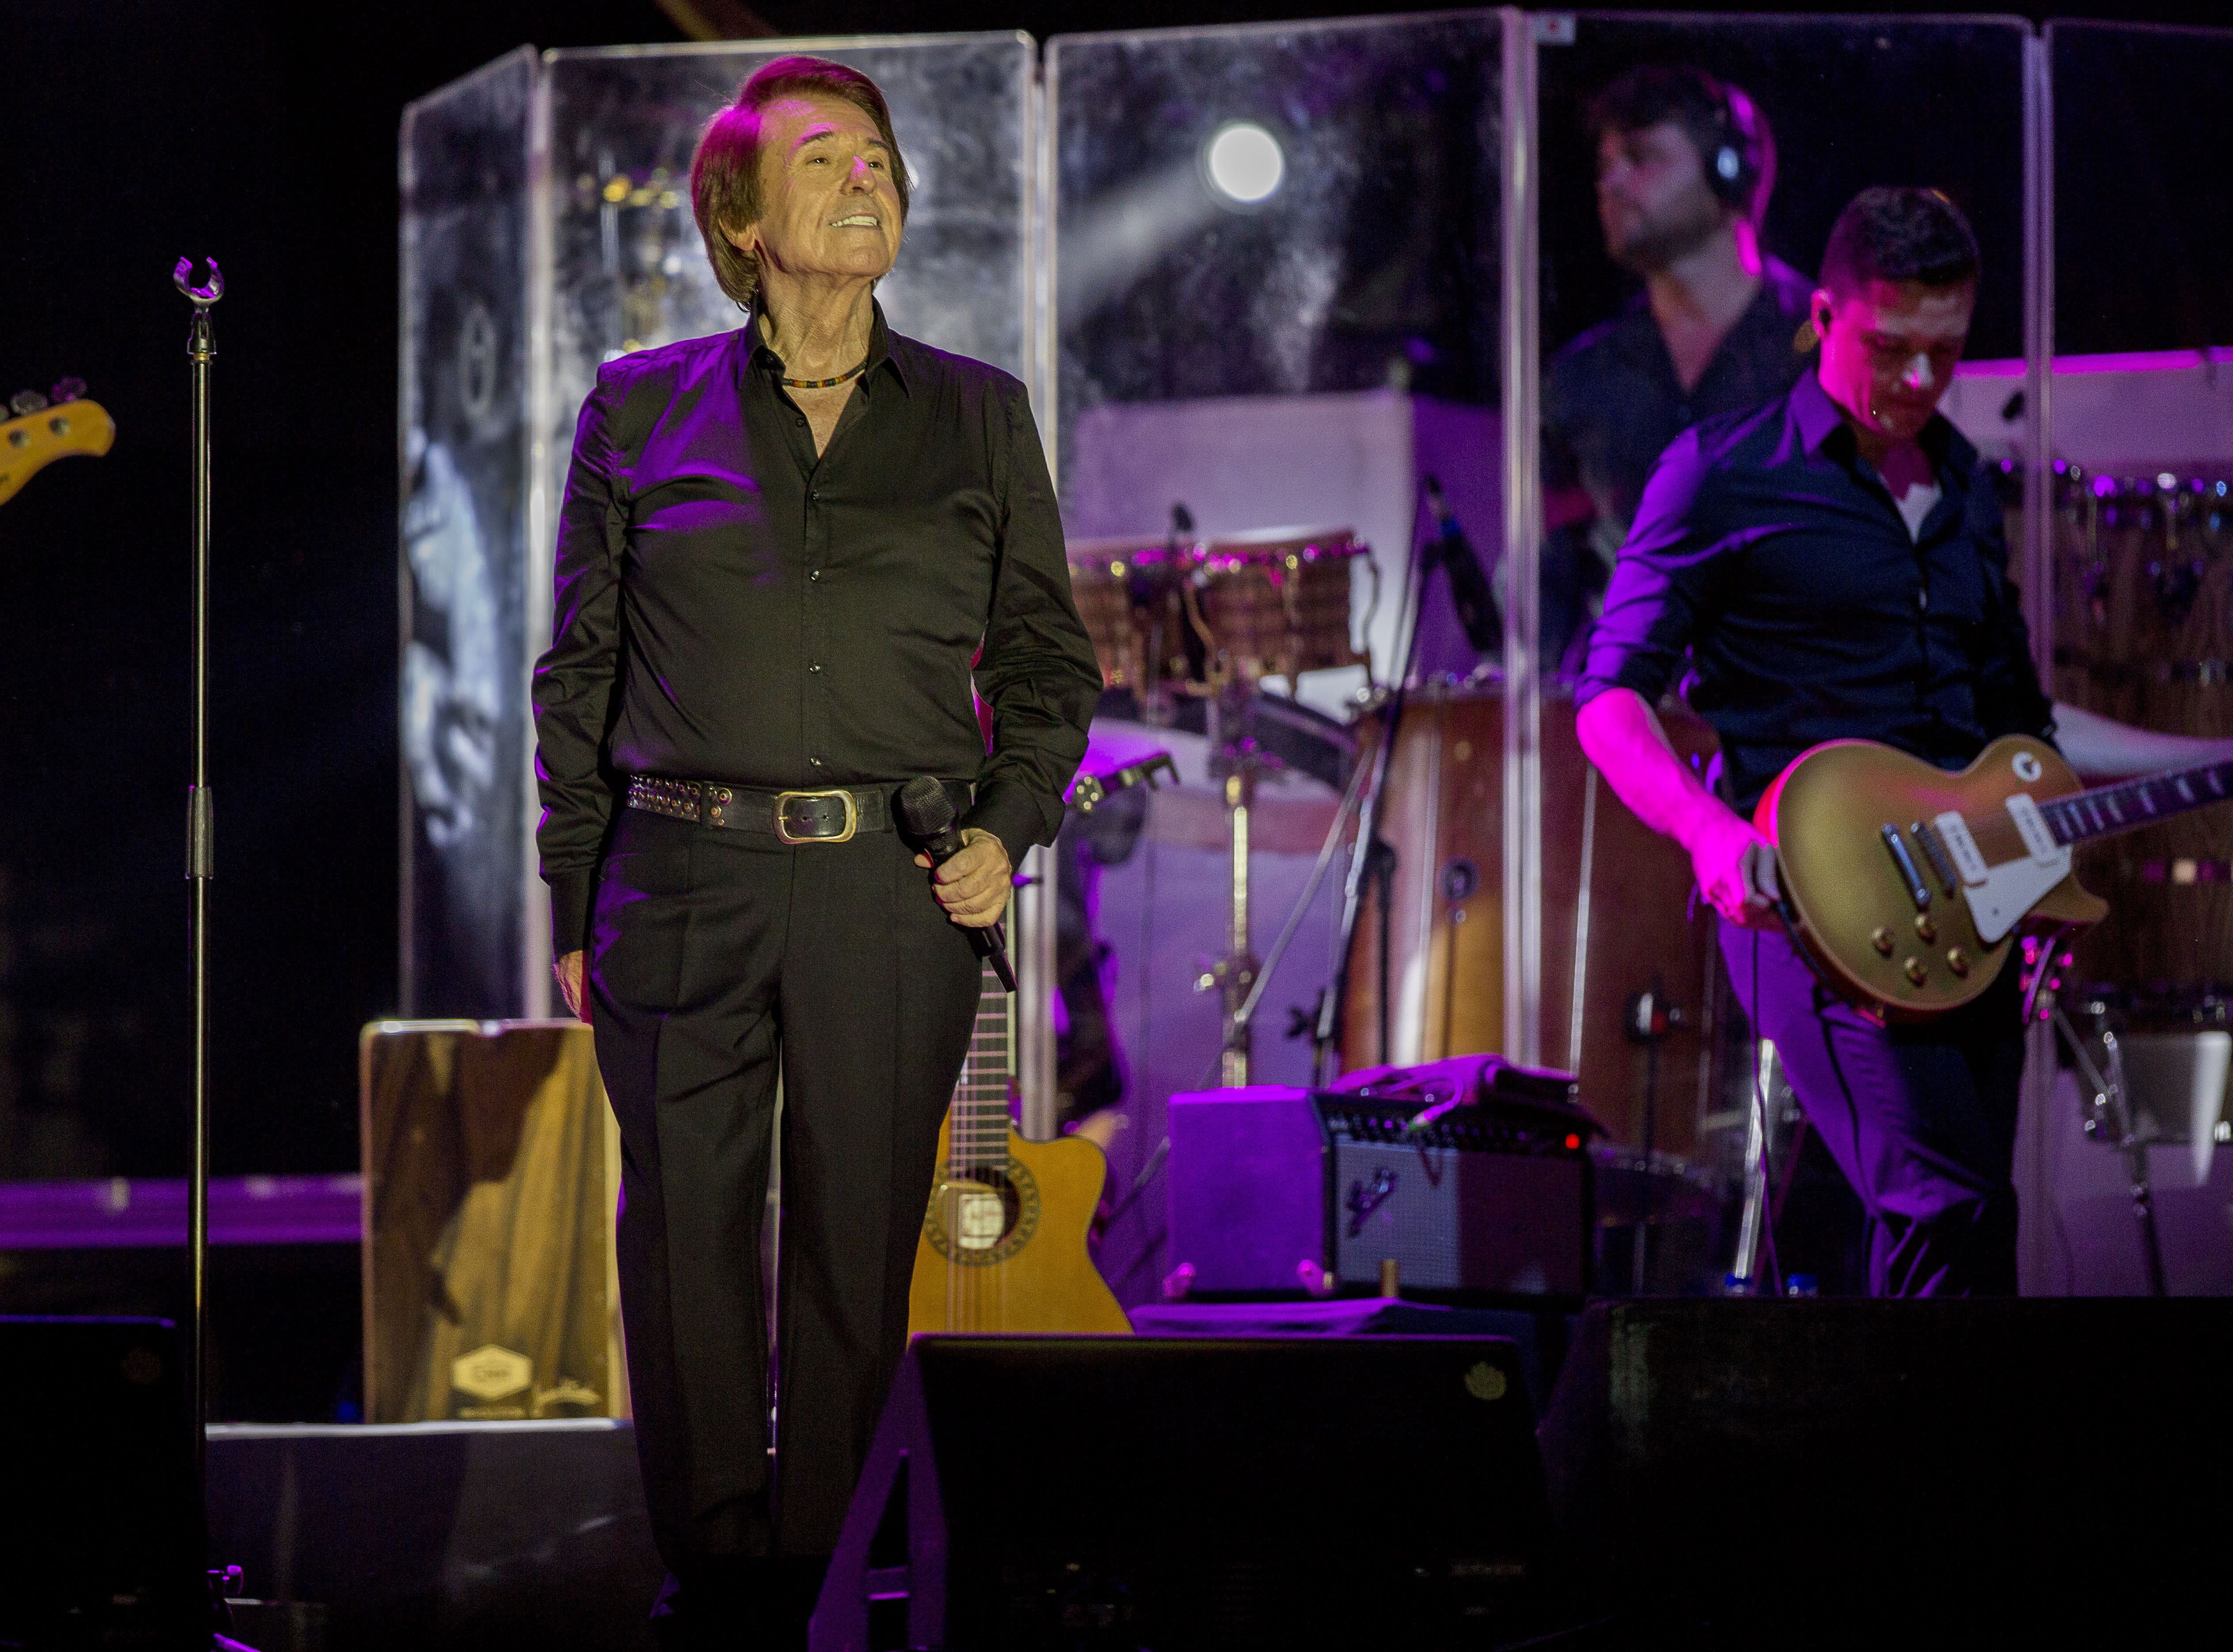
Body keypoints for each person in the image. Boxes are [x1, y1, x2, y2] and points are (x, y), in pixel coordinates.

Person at [530, 55, 1100, 1647]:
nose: (866, 180)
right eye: (822, 160)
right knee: (687, 1243)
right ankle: (715, 1587)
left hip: (889, 883)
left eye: (879, 158)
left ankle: (827, 1585)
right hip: (678, 871)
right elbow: (575, 671)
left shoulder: (979, 415)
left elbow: (1050, 671)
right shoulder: (637, 409)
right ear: (737, 217)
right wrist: (575, 891)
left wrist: (1004, 828)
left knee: (857, 1241)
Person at [1576, 186, 2233, 1298]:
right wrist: (1705, 831)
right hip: (1806, 904)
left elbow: (2021, 731)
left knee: (1966, 1226)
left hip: (1967, 904)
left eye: (1946, 352)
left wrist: (2197, 763)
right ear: (1823, 317)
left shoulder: (1967, 487)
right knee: (1946, 1199)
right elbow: (1609, 700)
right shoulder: (1720, 473)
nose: (1921, 382)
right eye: (1891, 348)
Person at [1542, 65, 1816, 672]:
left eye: (1640, 158)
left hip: (1795, 720)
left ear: (1728, 170)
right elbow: (1545, 584)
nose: (1611, 182)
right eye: (1604, 164)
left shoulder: (1823, 351)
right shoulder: (1580, 378)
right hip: (1624, 724)